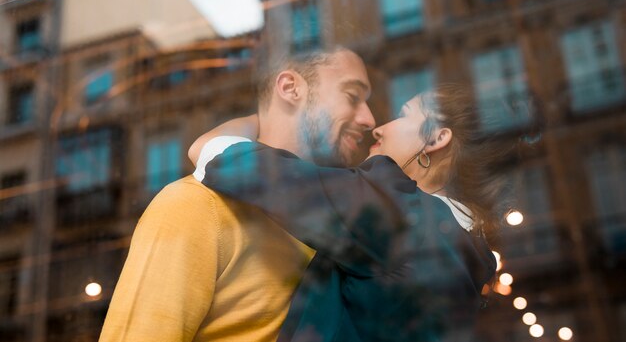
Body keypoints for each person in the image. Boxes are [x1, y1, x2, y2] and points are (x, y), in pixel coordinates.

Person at [98, 46, 376, 341]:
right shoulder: (195, 206)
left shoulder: (344, 225)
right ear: (290, 88)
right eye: (352, 96)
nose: (369, 119)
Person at [192, 83, 501, 342]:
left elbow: (215, 153)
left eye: (403, 114)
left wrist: (260, 120)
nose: (379, 128)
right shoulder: (470, 251)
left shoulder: (395, 207)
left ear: (435, 138)